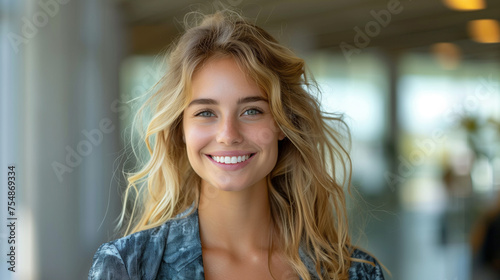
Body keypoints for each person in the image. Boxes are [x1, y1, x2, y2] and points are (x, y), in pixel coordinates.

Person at [88, 9, 386, 280]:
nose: (228, 134)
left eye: (251, 111)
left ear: (283, 123)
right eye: (206, 113)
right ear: (180, 129)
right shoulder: (128, 266)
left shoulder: (353, 272)